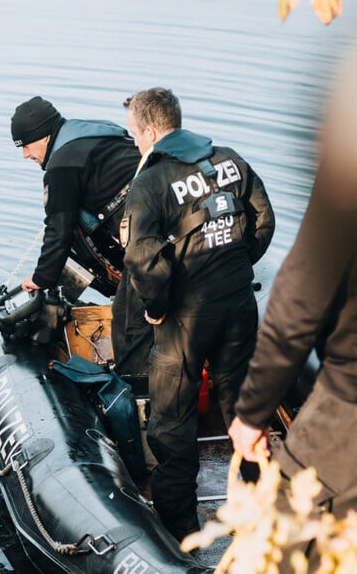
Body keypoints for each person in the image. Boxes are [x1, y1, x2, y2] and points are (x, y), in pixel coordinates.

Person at [120, 87, 275, 541]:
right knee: (244, 407)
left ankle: (181, 532)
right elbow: (263, 222)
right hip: (239, 305)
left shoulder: (150, 183)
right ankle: (259, 510)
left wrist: (156, 307)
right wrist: (235, 265)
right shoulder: (230, 159)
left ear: (150, 132)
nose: (133, 144)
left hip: (185, 318)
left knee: (172, 421)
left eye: (134, 135)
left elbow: (142, 259)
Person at [228, 53, 357, 571]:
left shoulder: (347, 169)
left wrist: (251, 415)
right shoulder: (234, 166)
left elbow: (296, 308)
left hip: (347, 406)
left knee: (280, 543)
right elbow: (265, 217)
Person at [9, 96, 150, 374]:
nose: (25, 155)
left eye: (25, 145)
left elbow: (58, 229)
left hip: (142, 236)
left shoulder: (60, 166)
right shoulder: (95, 129)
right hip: (159, 216)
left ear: (44, 136)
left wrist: (40, 279)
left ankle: (131, 381)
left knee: (124, 317)